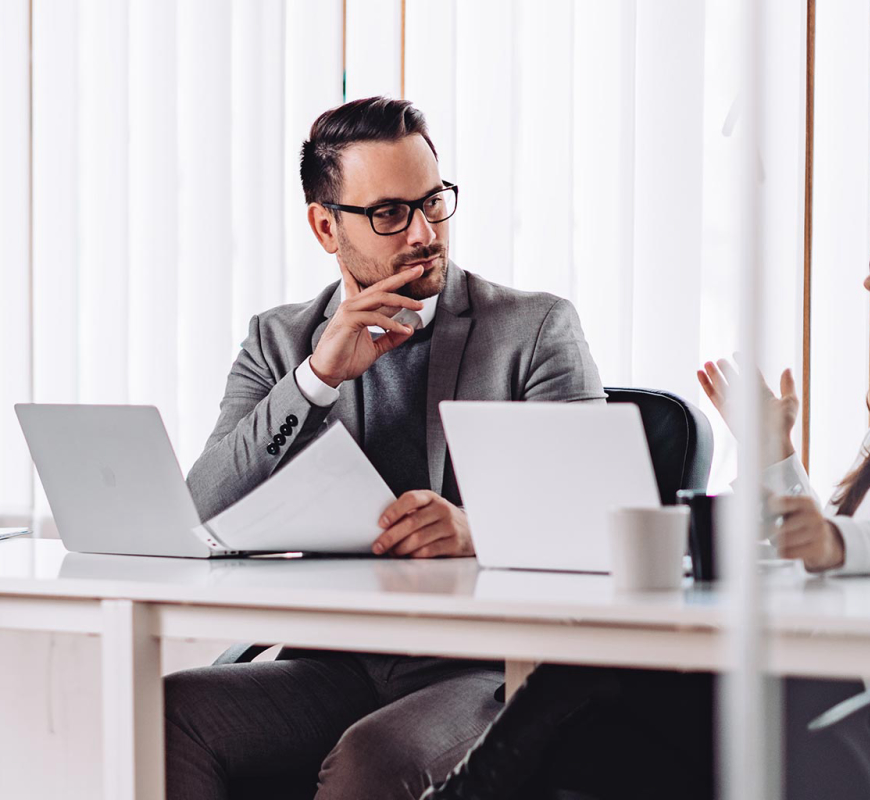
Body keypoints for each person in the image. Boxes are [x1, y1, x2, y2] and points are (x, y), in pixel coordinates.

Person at [421, 176, 870, 799]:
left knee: (594, 684)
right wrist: (775, 455)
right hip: (844, 689)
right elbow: (848, 546)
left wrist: (832, 538)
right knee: (599, 743)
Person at [164, 96, 606, 800]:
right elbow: (204, 510)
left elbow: (603, 517)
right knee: (172, 711)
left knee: (375, 758)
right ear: (324, 226)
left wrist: (474, 529)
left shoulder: (534, 329)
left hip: (485, 666)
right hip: (337, 662)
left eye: (434, 202)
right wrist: (315, 380)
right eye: (391, 214)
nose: (425, 233)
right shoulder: (278, 342)